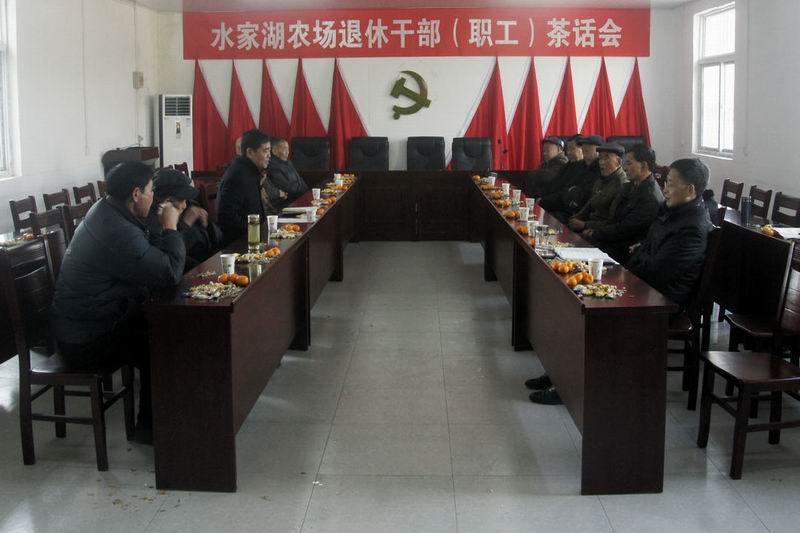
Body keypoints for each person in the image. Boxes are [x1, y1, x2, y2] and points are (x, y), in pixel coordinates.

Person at [50, 162, 186, 443]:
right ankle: (150, 430)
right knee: (161, 342)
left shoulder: (108, 210)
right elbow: (169, 273)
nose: (154, 198)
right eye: (151, 191)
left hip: (95, 320)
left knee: (165, 330)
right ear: (136, 194)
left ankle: (164, 417)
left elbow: (148, 259)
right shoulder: (116, 230)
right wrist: (171, 228)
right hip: (84, 339)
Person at [626, 158, 713, 307]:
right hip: (645, 287)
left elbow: (656, 273)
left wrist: (638, 252)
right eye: (665, 183)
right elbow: (650, 245)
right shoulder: (672, 211)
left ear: (690, 190)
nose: (664, 190)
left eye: (671, 184)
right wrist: (642, 251)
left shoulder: (692, 230)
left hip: (663, 302)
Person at [583, 144, 664, 263]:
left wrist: (595, 232)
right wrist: (593, 229)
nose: (625, 168)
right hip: (611, 239)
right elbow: (614, 218)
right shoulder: (630, 186)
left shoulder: (650, 197)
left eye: (629, 163)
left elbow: (625, 229)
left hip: (627, 249)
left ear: (644, 165)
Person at [146, 168, 223, 271]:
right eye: (182, 199)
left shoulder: (189, 207)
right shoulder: (153, 222)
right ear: (166, 201)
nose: (184, 205)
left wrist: (207, 225)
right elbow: (171, 260)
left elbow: (217, 239)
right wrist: (186, 224)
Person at [217, 128, 274, 245]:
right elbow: (226, 216)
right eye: (265, 151)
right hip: (240, 243)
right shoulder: (238, 175)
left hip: (255, 237)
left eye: (269, 151)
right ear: (250, 152)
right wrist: (255, 231)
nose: (269, 155)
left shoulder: (250, 171)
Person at [568, 143, 628, 234]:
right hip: (589, 225)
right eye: (600, 158)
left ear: (618, 161)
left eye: (606, 157)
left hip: (601, 232)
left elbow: (613, 222)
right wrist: (576, 218)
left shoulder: (622, 185)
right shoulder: (600, 181)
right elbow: (590, 205)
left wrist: (585, 225)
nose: (601, 162)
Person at [539, 135, 601, 222]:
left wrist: (543, 202)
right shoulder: (572, 166)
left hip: (575, 215)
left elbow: (580, 197)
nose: (568, 153)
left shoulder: (599, 171)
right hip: (565, 209)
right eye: (567, 149)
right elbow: (560, 188)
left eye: (586, 151)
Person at [267, 138, 309, 202]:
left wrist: (307, 192)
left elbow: (299, 179)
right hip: (289, 201)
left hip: (300, 196)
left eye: (288, 149)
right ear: (274, 151)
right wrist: (305, 192)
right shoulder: (273, 167)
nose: (287, 152)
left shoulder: (287, 162)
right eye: (284, 149)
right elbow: (286, 188)